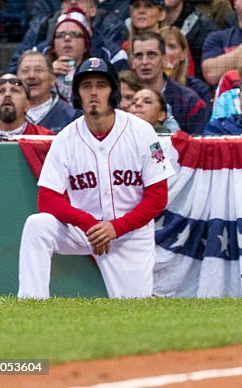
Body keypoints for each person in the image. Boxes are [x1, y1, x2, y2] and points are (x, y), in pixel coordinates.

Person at [17, 58, 174, 299]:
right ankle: (31, 303)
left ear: (113, 92)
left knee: (134, 315)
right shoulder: (66, 138)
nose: (93, 92)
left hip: (130, 235)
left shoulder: (142, 132)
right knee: (37, 226)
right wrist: (88, 224)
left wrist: (116, 228)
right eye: (86, 85)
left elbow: (157, 197)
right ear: (77, 94)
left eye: (101, 85)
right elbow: (47, 199)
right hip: (86, 231)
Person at [130, 31, 209, 134]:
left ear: (164, 59)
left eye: (151, 55)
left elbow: (197, 146)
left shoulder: (189, 101)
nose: (144, 62)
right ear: (133, 62)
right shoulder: (120, 98)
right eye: (139, 56)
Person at [17, 51, 80, 133]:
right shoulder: (6, 114)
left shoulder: (72, 117)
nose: (31, 76)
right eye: (25, 71)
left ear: (53, 79)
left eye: (38, 70)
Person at [0, 73, 54, 137]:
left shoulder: (46, 138)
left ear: (27, 104)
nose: (7, 95)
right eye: (1, 91)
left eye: (14, 91)